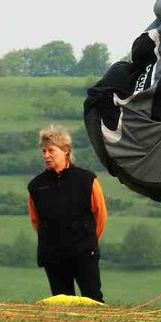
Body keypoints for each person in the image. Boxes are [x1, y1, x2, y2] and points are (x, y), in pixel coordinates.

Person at [28, 124, 107, 302]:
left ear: (65, 150)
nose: (46, 155)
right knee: (61, 303)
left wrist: (89, 242)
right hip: (53, 256)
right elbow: (35, 220)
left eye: (51, 150)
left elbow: (100, 214)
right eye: (43, 151)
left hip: (84, 253)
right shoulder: (35, 186)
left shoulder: (87, 180)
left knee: (93, 299)